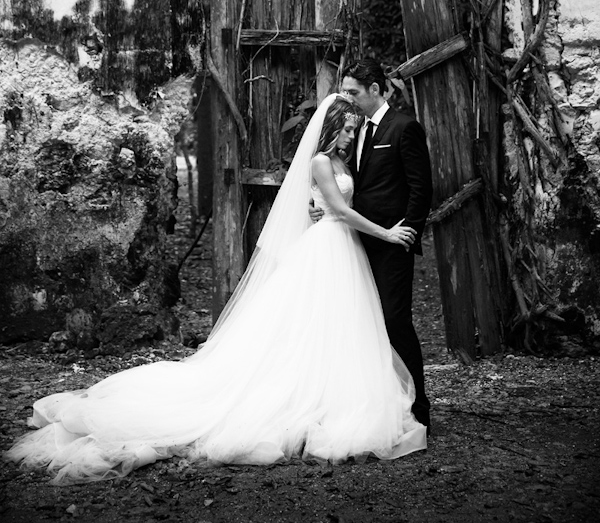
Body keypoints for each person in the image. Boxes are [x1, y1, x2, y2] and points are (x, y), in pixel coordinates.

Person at [6, 94, 426, 483]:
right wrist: (385, 234)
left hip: (343, 249)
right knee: (309, 325)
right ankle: (308, 399)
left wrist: (327, 211)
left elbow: (328, 204)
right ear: (333, 127)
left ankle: (334, 397)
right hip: (328, 247)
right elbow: (337, 208)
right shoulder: (319, 160)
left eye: (354, 129)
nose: (353, 136)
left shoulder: (341, 162)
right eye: (348, 129)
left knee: (340, 326)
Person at [312, 60, 433, 431]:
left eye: (353, 92)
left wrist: (406, 232)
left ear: (377, 90)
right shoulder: (352, 134)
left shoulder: (403, 127)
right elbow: (338, 184)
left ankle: (417, 405)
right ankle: (373, 401)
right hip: (354, 242)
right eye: (345, 91)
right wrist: (320, 208)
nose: (347, 98)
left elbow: (421, 188)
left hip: (391, 243)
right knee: (358, 323)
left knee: (395, 321)